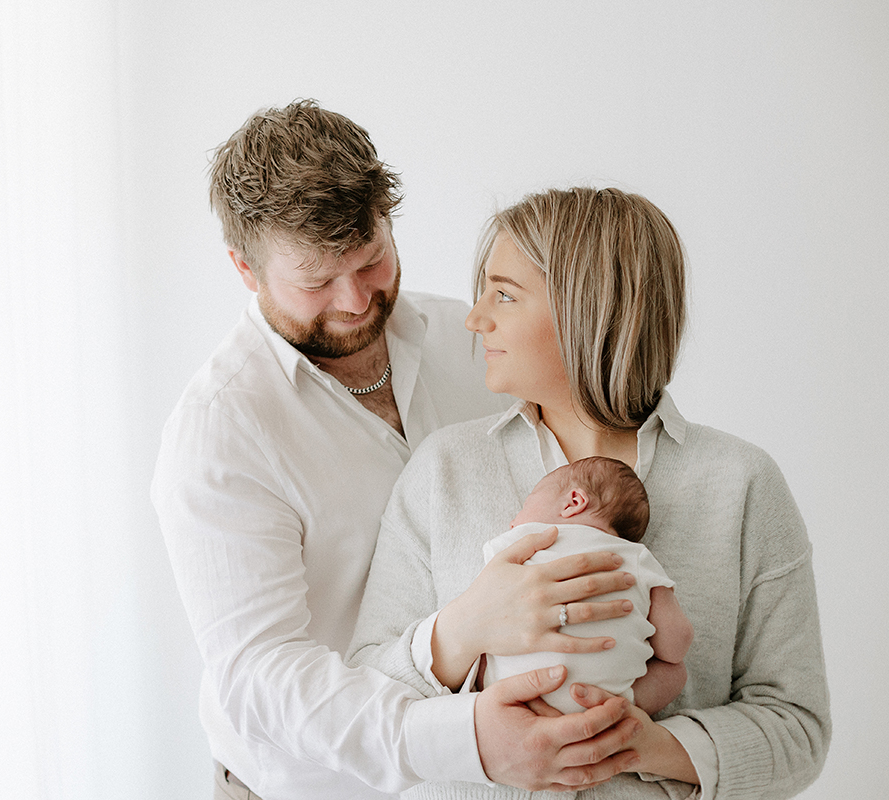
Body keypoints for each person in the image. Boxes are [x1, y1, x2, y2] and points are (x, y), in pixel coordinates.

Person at [152, 103, 646, 800]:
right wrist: (465, 738)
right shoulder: (220, 431)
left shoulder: (476, 341)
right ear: (245, 269)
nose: (355, 300)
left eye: (371, 260)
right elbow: (262, 678)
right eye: (317, 281)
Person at [348, 187, 831, 798]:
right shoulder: (443, 469)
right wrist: (466, 630)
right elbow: (362, 700)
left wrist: (642, 745)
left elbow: (797, 729)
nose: (475, 319)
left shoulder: (742, 485)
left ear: (588, 310)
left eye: (504, 294)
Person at [478, 456, 693, 716]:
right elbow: (676, 643)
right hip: (601, 707)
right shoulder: (637, 558)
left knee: (477, 649)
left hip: (514, 702)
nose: (513, 522)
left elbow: (479, 608)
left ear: (573, 502)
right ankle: (628, 710)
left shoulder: (518, 541)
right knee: (676, 672)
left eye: (525, 505)